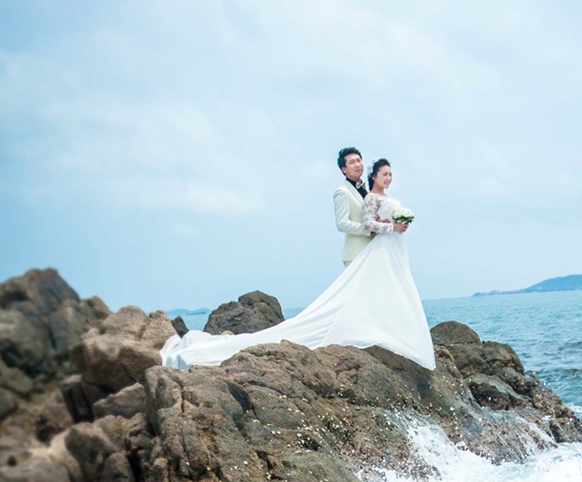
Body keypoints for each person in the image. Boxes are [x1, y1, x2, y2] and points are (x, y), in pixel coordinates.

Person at [159, 155, 435, 371]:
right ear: (343, 168)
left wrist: (394, 225)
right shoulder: (344, 192)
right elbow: (348, 223)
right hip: (361, 250)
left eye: (359, 161)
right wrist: (387, 228)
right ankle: (355, 333)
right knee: (355, 297)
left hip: (383, 249)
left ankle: (380, 329)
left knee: (384, 291)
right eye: (352, 162)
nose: (358, 165)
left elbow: (374, 218)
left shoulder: (365, 190)